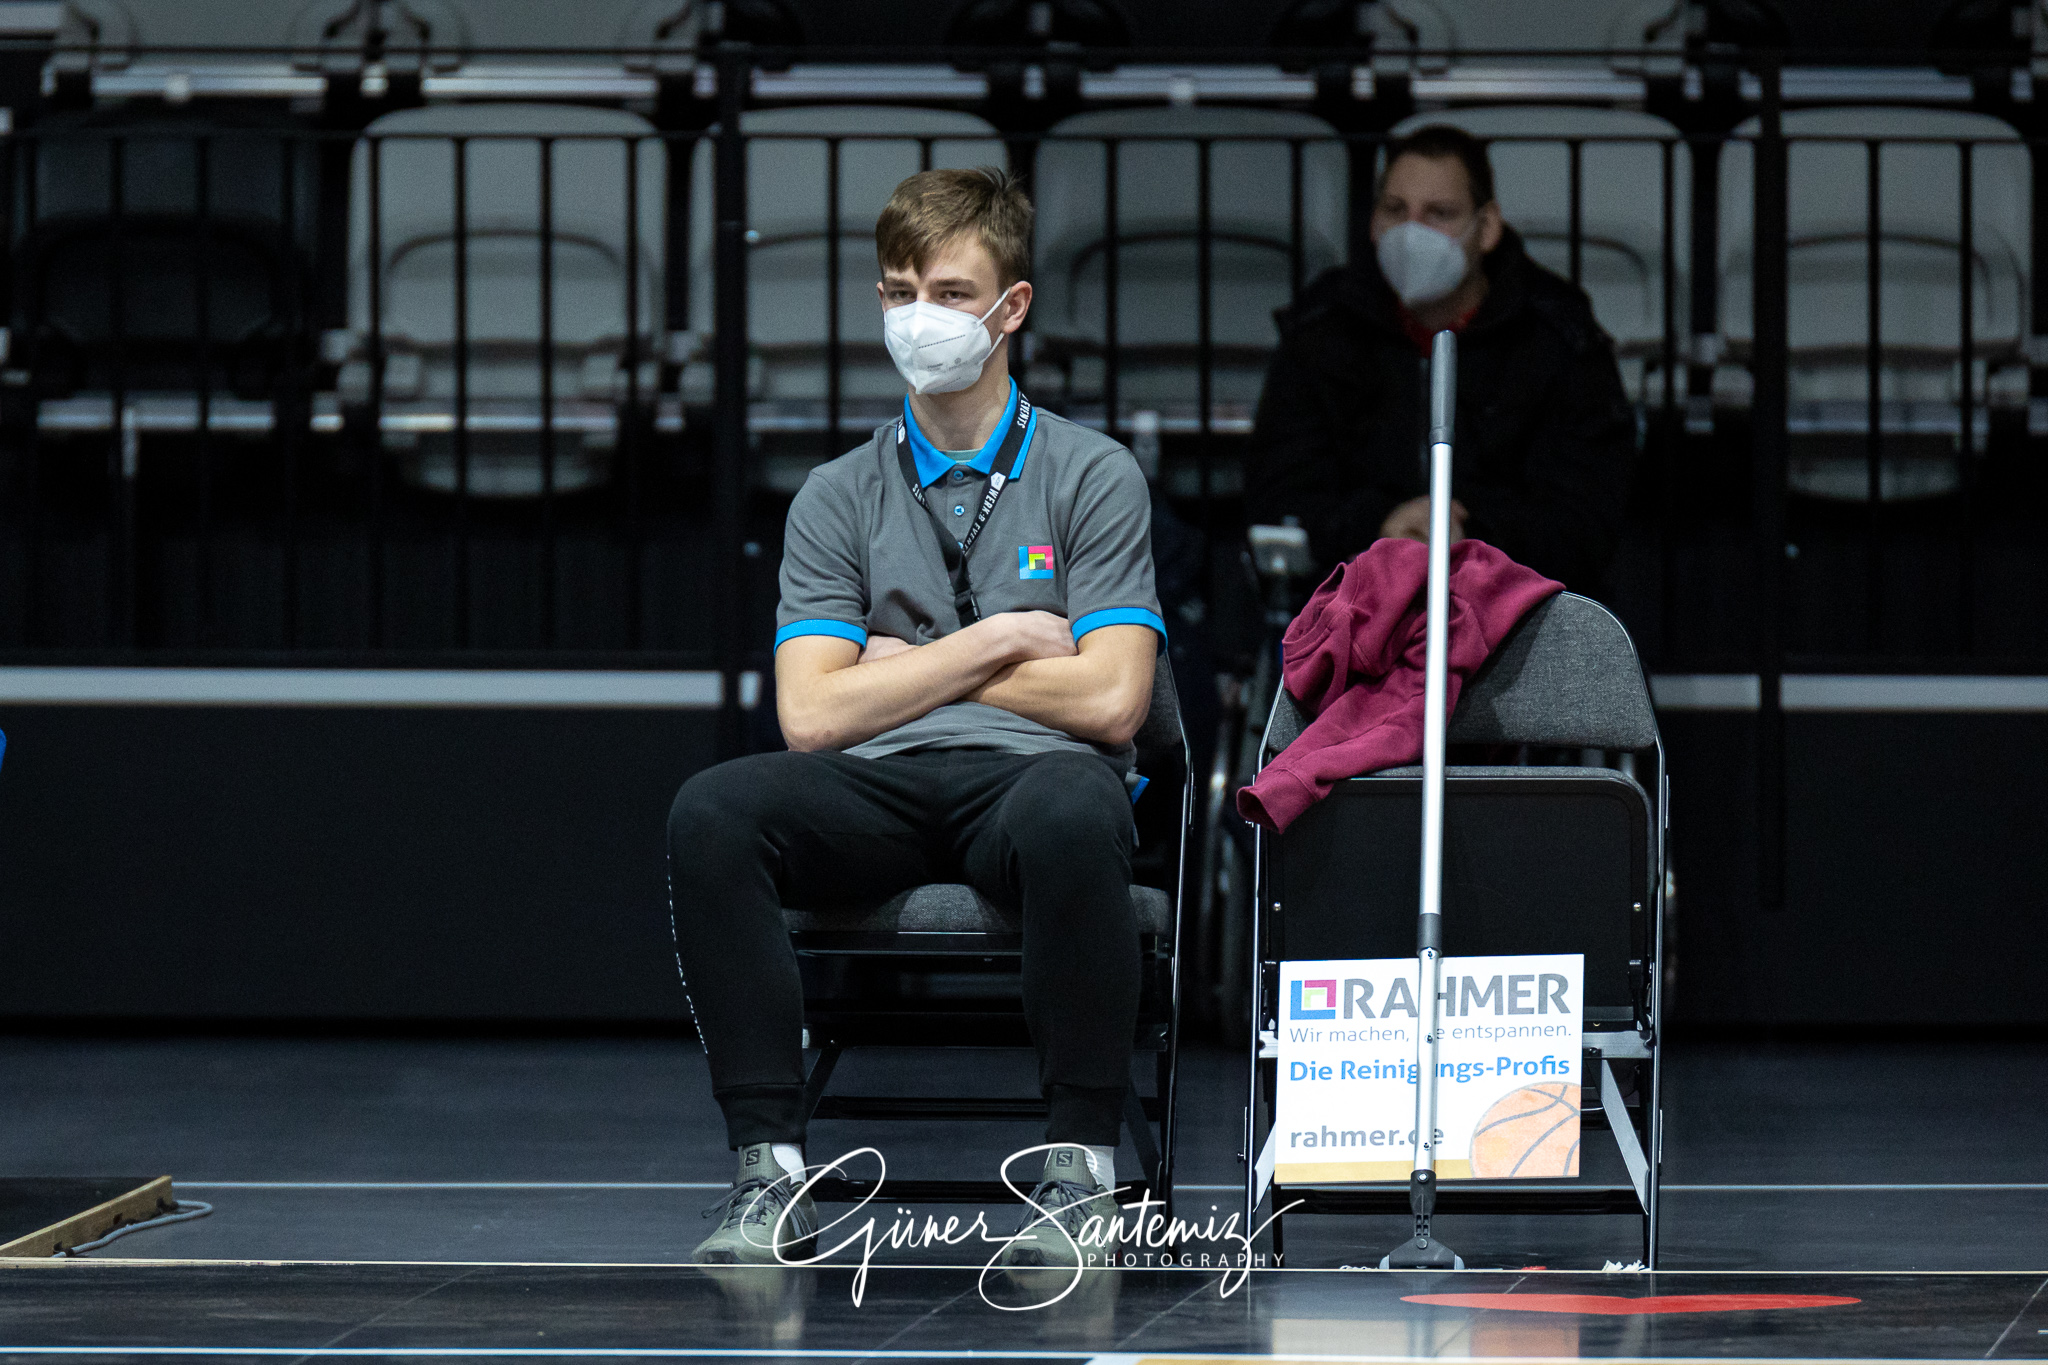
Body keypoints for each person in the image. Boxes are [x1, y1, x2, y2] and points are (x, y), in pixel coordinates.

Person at [668, 167, 1166, 1267]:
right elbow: (808, 715)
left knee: (1073, 810)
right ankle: (767, 1174)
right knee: (713, 810)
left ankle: (1079, 1172)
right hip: (879, 790)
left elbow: (1112, 698)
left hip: (1032, 783)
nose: (917, 319)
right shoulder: (836, 494)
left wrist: (901, 666)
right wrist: (998, 640)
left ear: (1011, 308)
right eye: (897, 293)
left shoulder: (1092, 474)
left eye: (947, 292)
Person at [1244, 124, 1635, 594]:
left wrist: (1471, 533)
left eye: (1439, 213)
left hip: (1516, 622)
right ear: (1372, 222)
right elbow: (1277, 497)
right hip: (1353, 609)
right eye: (1395, 210)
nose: (1412, 232)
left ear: (1487, 226)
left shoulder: (1559, 336)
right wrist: (1381, 527)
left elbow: (1586, 521)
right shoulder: (1322, 329)